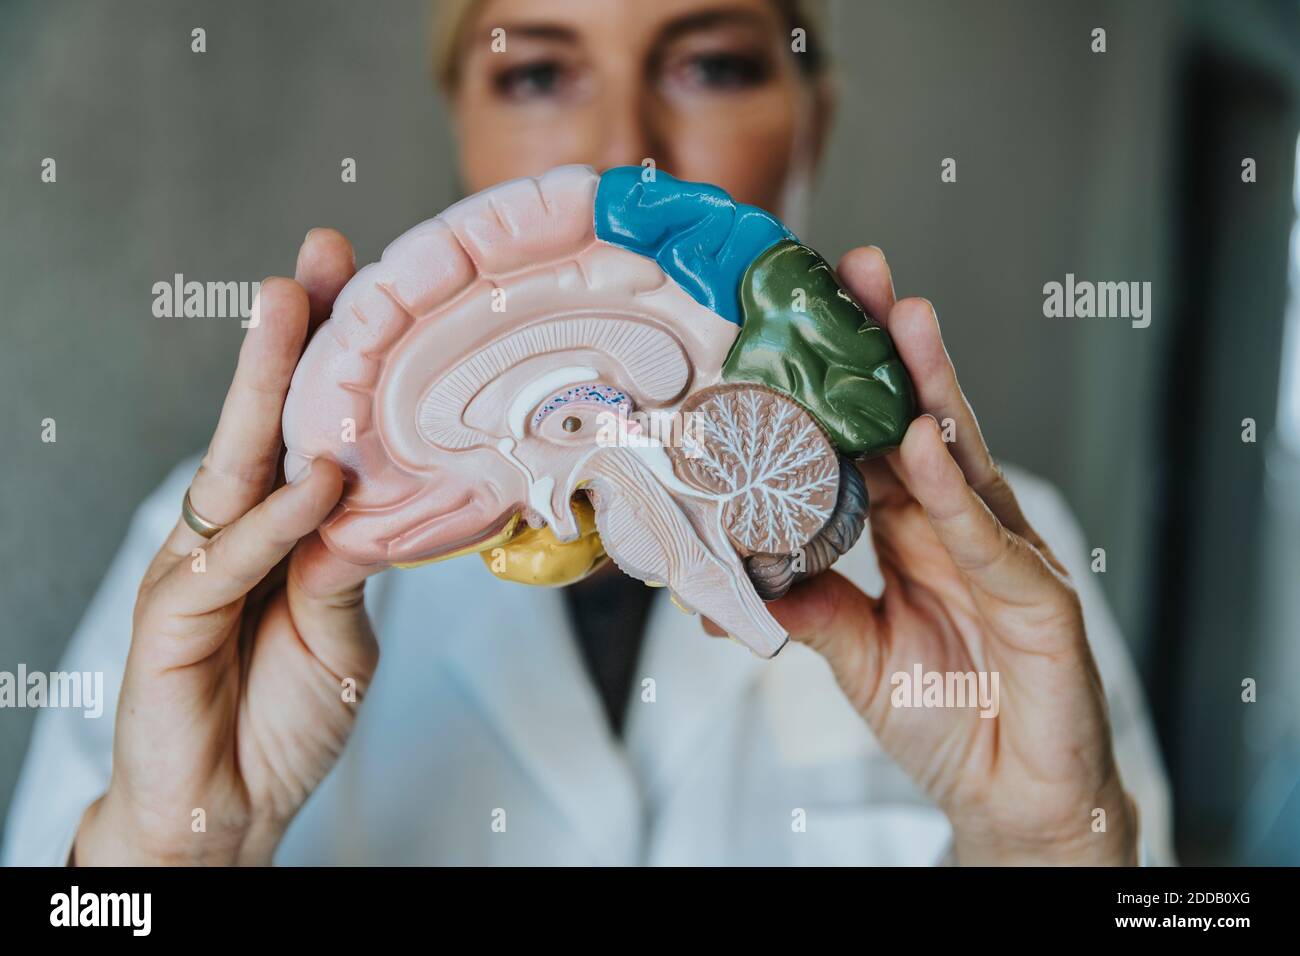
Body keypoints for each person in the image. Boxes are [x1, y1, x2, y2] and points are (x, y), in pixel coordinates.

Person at [3, 0, 1172, 866]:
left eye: (711, 65)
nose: (627, 141)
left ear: (810, 121)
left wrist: (1047, 843)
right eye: (538, 74)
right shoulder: (229, 557)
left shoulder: (1007, 575)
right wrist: (166, 854)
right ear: (458, 122)